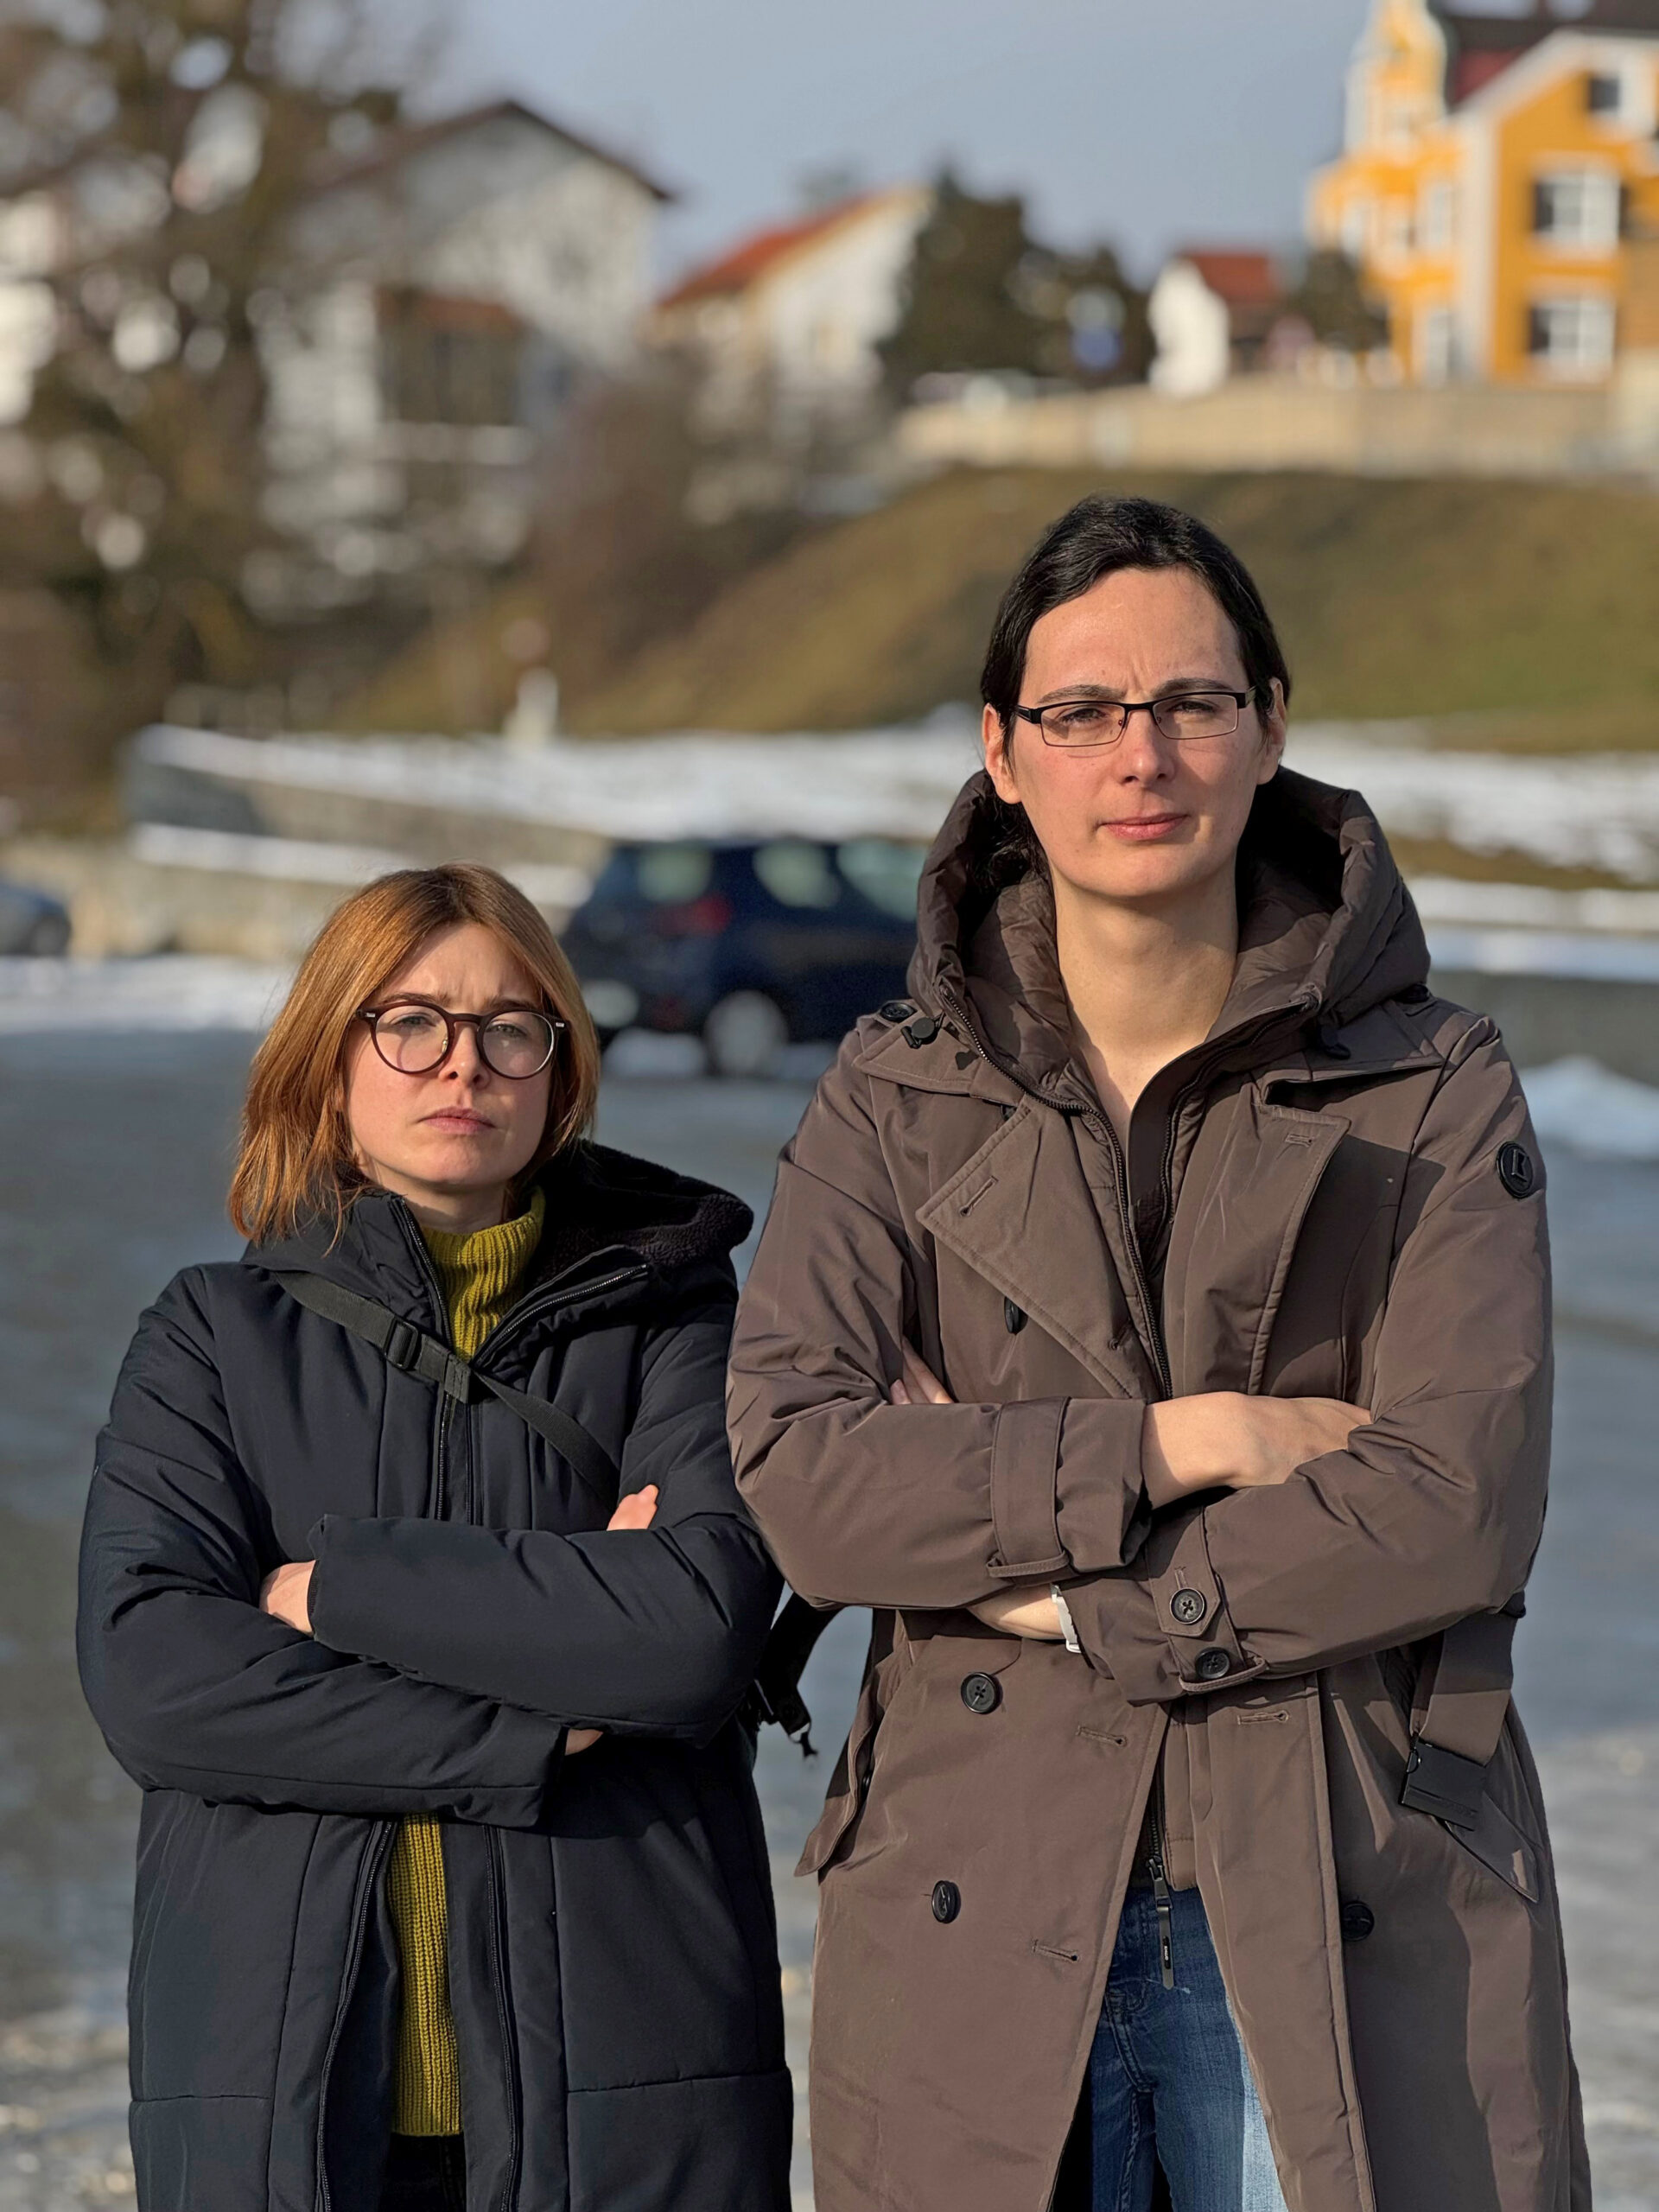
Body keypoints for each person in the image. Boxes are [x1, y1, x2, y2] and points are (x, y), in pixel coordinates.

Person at [728, 497, 1586, 2212]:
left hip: (1344, 1868)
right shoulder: (893, 1096)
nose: (1144, 753)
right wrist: (1186, 1439)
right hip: (980, 1878)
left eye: (1191, 701)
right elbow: (810, 1482)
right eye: (1084, 710)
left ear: (1270, 722)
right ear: (1002, 748)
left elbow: (1449, 1504)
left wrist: (1056, 1590)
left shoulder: (1435, 1085)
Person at [79, 864, 791, 2212]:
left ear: (558, 1066)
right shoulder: (211, 1343)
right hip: (274, 2088)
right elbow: (155, 1679)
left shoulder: (679, 1325)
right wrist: (533, 1723)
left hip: (627, 2086)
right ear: (328, 1054)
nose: (461, 1063)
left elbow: (693, 1635)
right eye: (410, 1022)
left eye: (509, 1027)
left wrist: (330, 1589)